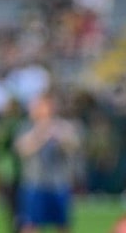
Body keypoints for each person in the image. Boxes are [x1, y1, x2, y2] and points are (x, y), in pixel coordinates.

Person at [14, 92, 81, 233]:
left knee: (63, 223)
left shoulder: (62, 126)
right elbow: (22, 150)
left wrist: (59, 137)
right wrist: (41, 134)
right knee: (30, 223)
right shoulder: (27, 127)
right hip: (34, 183)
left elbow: (73, 146)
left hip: (58, 183)